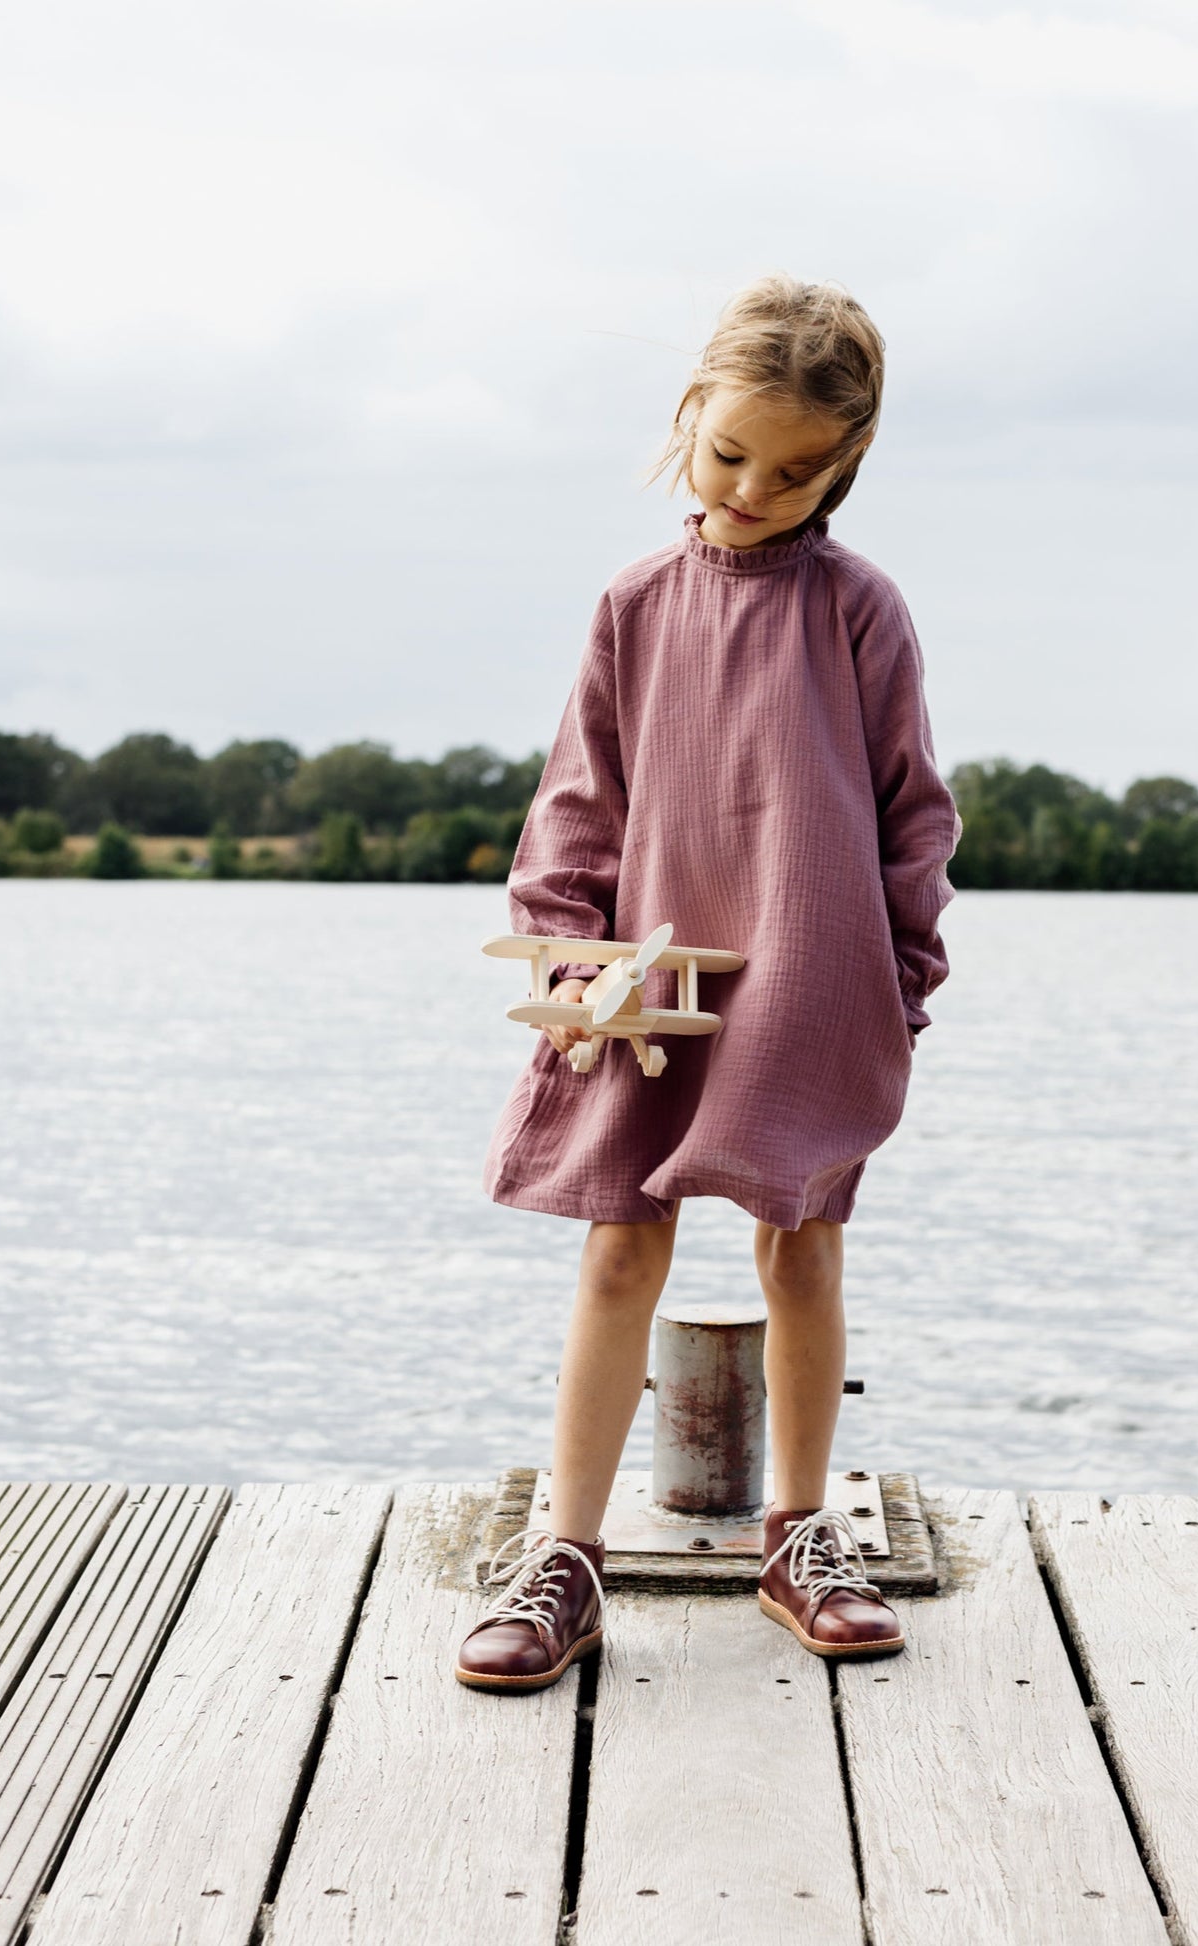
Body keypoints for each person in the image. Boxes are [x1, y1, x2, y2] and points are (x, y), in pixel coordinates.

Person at [457, 274, 961, 1693]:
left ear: (845, 467)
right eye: (730, 452)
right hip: (642, 985)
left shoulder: (860, 609)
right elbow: (577, 801)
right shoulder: (634, 603)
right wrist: (564, 952)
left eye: (796, 472)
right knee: (619, 1243)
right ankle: (567, 1554)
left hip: (814, 978)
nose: (752, 489)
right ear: (689, 417)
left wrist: (900, 985)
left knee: (802, 1242)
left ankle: (799, 1535)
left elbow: (910, 813)